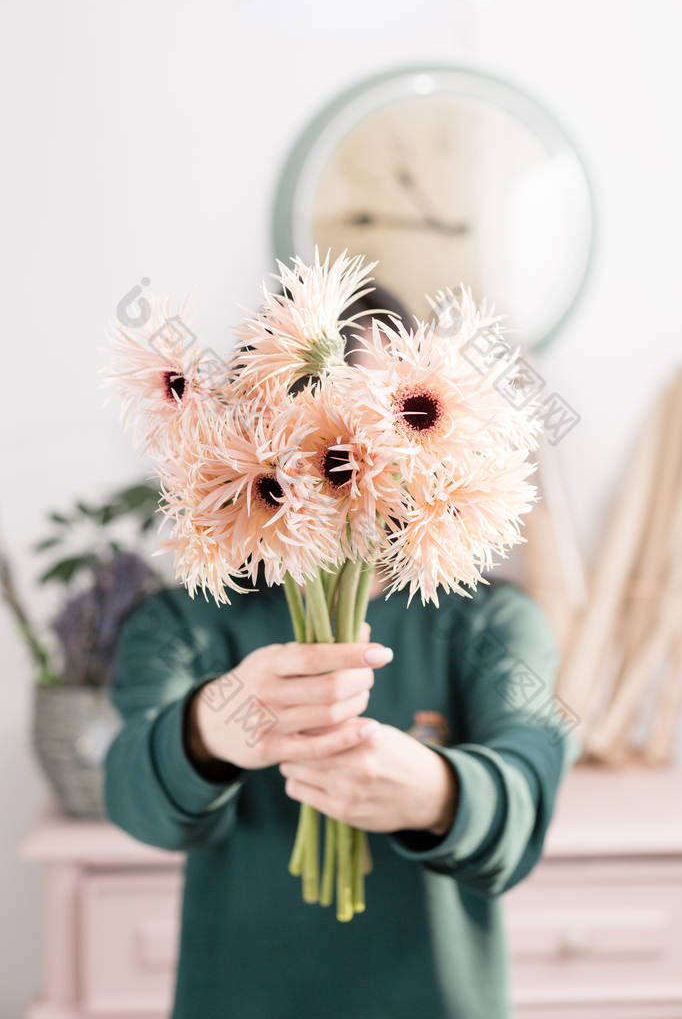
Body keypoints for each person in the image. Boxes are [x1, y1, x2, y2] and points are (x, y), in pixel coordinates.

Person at [105, 285, 580, 1019]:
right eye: (314, 426)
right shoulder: (185, 624)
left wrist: (438, 793)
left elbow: (526, 799)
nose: (352, 457)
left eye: (384, 420)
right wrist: (207, 730)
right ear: (256, 430)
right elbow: (133, 791)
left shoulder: (491, 626)